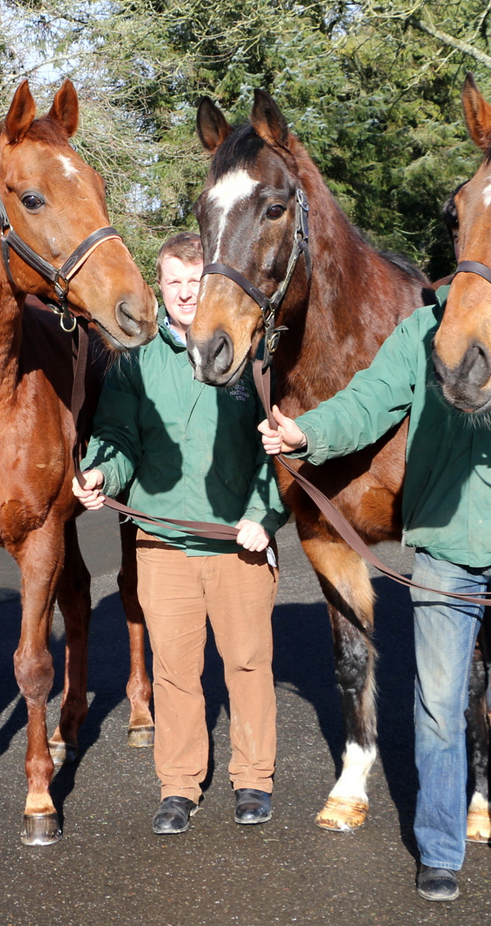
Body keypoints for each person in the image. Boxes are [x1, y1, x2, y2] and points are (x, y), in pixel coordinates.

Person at [260, 289, 491, 902]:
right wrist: (306, 433)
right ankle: (440, 848)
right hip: (444, 553)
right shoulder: (424, 330)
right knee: (437, 708)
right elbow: (370, 402)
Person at [73, 232, 287, 834]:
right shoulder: (134, 361)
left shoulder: (251, 352)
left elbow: (280, 452)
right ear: (158, 286)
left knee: (247, 663)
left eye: (196, 279)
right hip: (162, 543)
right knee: (172, 670)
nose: (187, 291)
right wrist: (99, 471)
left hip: (237, 543)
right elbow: (119, 438)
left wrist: (262, 515)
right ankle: (179, 785)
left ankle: (252, 779)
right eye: (174, 281)